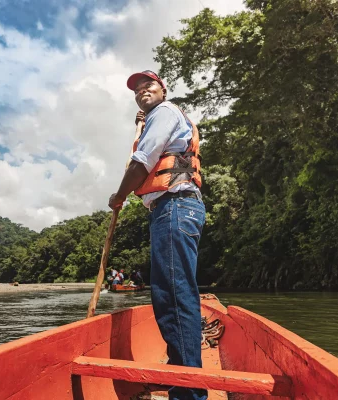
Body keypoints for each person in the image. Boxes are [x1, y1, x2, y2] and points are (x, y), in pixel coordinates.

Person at [108, 70, 207, 400]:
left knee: (174, 295)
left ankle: (188, 391)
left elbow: (142, 161)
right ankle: (182, 368)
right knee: (171, 293)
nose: (140, 92)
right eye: (136, 91)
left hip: (175, 205)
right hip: (174, 208)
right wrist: (143, 118)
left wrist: (119, 195)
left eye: (147, 86)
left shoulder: (164, 112)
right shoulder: (156, 116)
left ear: (163, 90)